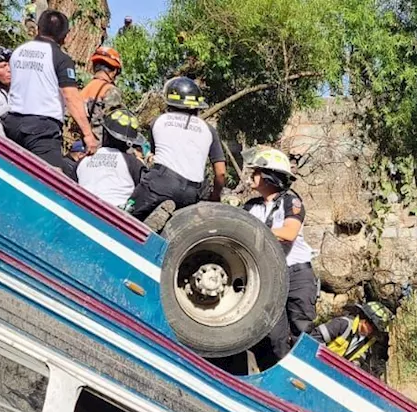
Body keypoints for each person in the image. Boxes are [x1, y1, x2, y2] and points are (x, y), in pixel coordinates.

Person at [4, 10, 97, 179]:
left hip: (12, 123)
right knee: (50, 181)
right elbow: (70, 96)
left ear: (38, 28)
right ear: (65, 36)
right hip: (42, 129)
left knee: (14, 174)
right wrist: (88, 134)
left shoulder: (18, 52)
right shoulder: (61, 58)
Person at [243, 148, 315, 368]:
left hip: (296, 274)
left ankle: (306, 377)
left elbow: (289, 233)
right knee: (274, 336)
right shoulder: (251, 207)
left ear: (269, 176)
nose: (251, 177)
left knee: (302, 331)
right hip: (268, 277)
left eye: (255, 172)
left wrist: (253, 229)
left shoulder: (291, 202)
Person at [126, 77, 226, 221]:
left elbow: (154, 156)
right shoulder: (209, 130)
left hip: (159, 184)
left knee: (128, 220)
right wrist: (215, 196)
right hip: (192, 194)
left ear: (169, 103)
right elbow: (221, 173)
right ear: (197, 106)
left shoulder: (158, 122)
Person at [78, 108, 147, 208]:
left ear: (105, 133)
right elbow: (144, 193)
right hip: (116, 216)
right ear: (129, 143)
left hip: (81, 211)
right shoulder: (133, 164)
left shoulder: (83, 161)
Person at [310, 301, 392, 363]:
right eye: (374, 328)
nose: (373, 333)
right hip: (314, 360)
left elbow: (357, 363)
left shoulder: (366, 343)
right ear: (365, 320)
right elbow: (314, 337)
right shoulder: (343, 324)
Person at [81, 46, 124, 134]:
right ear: (115, 71)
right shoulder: (110, 90)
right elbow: (116, 125)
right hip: (100, 144)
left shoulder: (84, 90)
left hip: (81, 144)